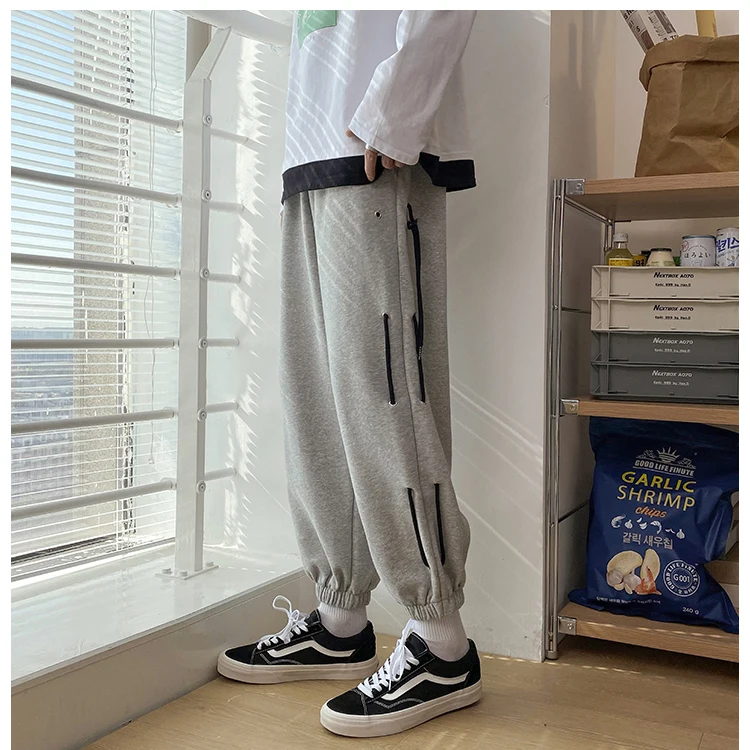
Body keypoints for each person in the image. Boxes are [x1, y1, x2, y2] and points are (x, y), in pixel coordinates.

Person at [218, 10, 479, 737]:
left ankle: (441, 641)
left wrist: (394, 112)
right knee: (319, 399)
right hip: (314, 151)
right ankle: (341, 619)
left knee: (385, 395)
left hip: (379, 143)